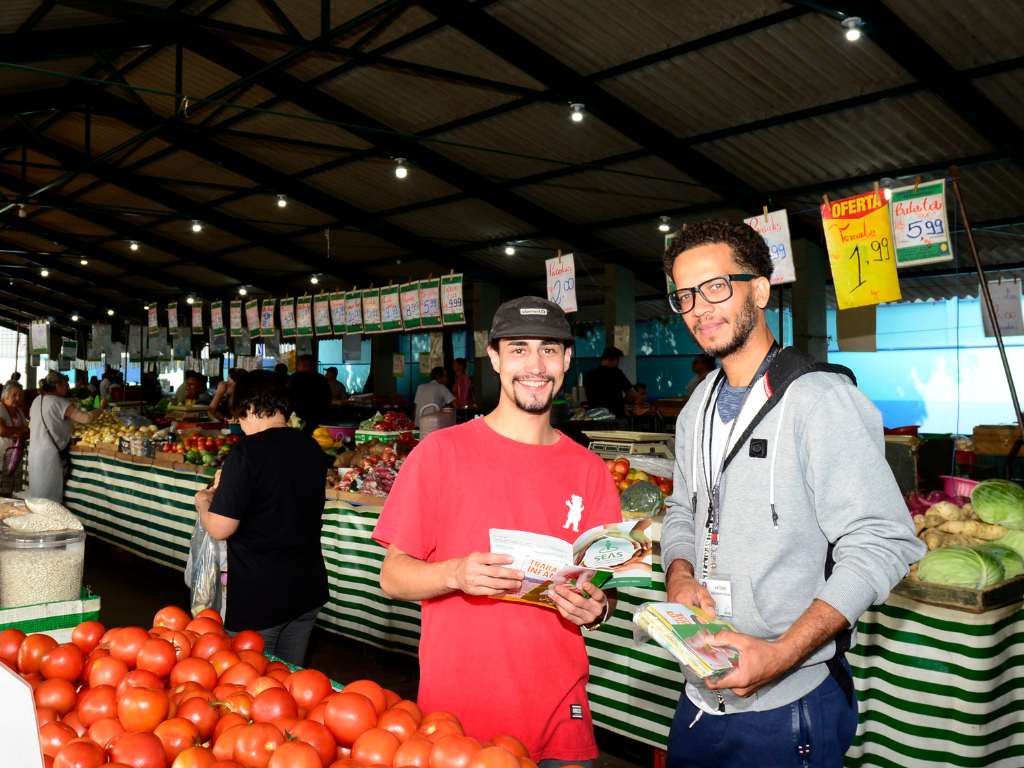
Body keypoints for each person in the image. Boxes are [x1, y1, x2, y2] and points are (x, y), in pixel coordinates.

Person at [659, 219, 924, 768]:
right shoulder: (695, 409)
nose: (700, 308)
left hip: (790, 703)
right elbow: (682, 509)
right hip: (700, 694)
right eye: (685, 296)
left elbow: (882, 541)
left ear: (759, 290)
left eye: (715, 287)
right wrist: (679, 573)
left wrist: (781, 654)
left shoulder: (820, 400)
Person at [374, 296, 621, 764]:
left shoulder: (591, 472)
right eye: (519, 349)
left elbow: (605, 589)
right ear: (494, 358)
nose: (536, 365)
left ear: (567, 360)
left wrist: (597, 609)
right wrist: (455, 573)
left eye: (549, 350)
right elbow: (392, 577)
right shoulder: (439, 455)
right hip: (458, 721)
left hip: (560, 711)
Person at [194, 370, 329, 666]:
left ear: (252, 406)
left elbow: (220, 527)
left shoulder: (247, 452)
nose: (241, 423)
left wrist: (203, 502)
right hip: (307, 587)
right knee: (288, 679)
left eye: (240, 415)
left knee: (250, 679)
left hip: (261, 594)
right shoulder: (311, 447)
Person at [29, 371, 109, 502]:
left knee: (38, 492)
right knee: (50, 495)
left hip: (34, 453)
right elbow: (86, 418)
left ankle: (37, 514)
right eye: (65, 384)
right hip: (49, 455)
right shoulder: (60, 402)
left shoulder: (37, 400)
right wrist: (101, 408)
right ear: (57, 385)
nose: (68, 387)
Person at [583, 347, 635, 418]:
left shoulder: (588, 375)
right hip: (616, 417)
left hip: (595, 417)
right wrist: (622, 402)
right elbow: (632, 395)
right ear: (615, 360)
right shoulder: (617, 374)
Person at [289, 354, 332, 436]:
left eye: (298, 365)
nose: (298, 367)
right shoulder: (322, 379)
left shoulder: (293, 378)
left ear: (303, 366)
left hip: (299, 421)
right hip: (319, 419)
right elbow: (329, 398)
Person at [0, 381, 29, 491]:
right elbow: (1, 430)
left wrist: (19, 432)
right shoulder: (1, 409)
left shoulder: (19, 412)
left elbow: (27, 432)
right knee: (2, 489)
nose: (18, 398)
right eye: (14, 395)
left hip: (16, 457)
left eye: (20, 395)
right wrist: (19, 430)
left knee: (13, 489)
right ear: (6, 395)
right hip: (2, 456)